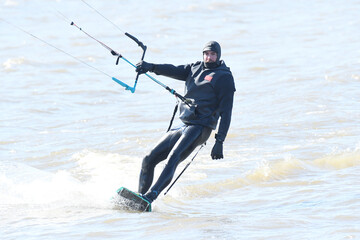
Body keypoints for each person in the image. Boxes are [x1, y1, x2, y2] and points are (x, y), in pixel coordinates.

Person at [135, 41, 236, 203]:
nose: (209, 57)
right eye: (206, 54)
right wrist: (151, 67)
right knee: (149, 158)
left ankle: (150, 197)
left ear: (218, 56)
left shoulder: (224, 77)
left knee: (173, 157)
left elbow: (227, 112)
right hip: (184, 124)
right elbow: (173, 69)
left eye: (213, 54)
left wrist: (220, 141)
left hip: (201, 127)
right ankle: (138, 197)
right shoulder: (195, 68)